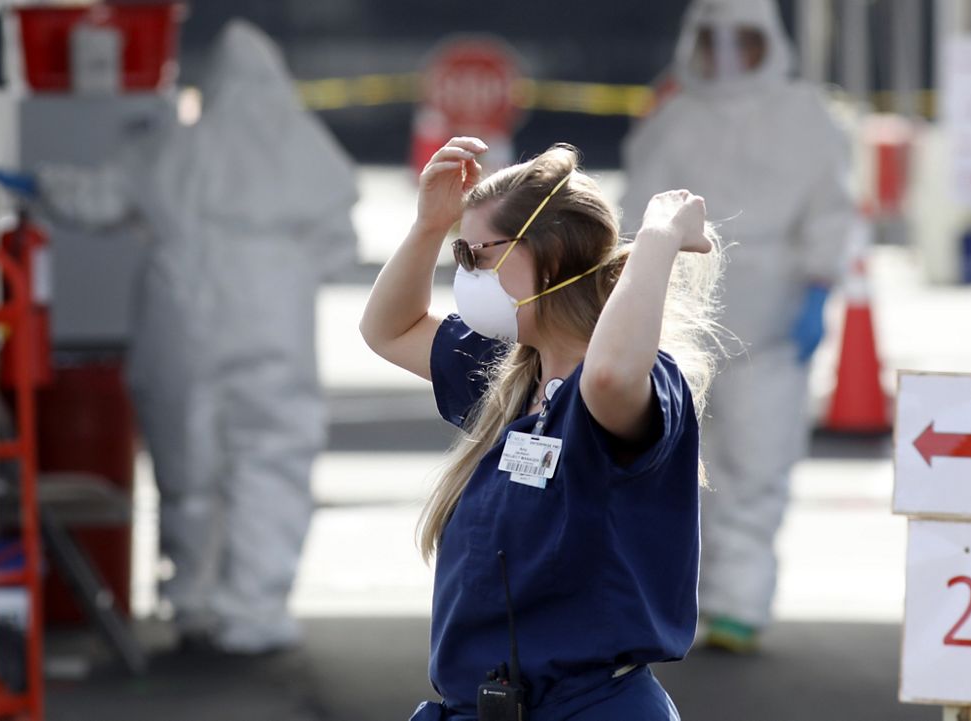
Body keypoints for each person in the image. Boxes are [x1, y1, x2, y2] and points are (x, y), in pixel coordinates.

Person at [360, 138, 723, 720]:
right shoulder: (511, 373)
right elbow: (389, 329)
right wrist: (430, 226)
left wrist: (658, 240)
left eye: (480, 255)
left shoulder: (634, 380)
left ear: (551, 257)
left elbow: (605, 378)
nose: (469, 273)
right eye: (463, 254)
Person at [34, 20, 359, 654]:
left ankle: (193, 602)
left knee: (187, 461)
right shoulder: (307, 148)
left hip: (181, 321)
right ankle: (255, 610)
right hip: (272, 323)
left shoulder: (170, 149)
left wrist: (28, 179)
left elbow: (93, 200)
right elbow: (340, 249)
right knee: (273, 457)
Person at [620, 0, 856, 653]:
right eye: (714, 40)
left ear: (768, 42)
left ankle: (739, 601)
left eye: (742, 40)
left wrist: (818, 284)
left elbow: (832, 204)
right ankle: (677, 603)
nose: (727, 56)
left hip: (772, 314)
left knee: (756, 461)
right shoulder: (674, 118)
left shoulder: (803, 114)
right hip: (677, 310)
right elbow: (636, 213)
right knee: (671, 463)